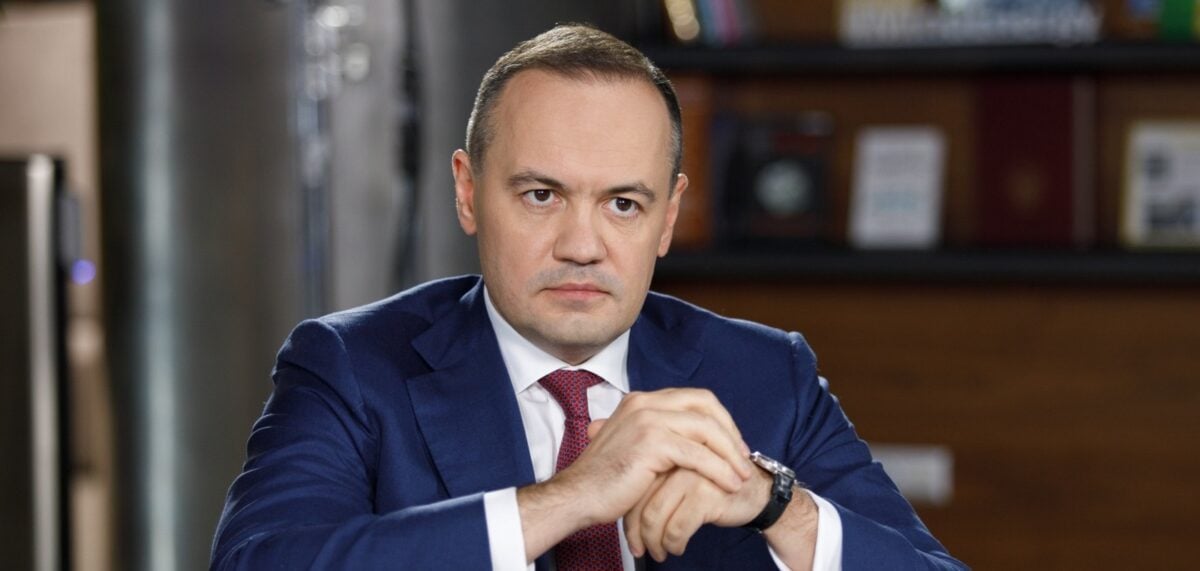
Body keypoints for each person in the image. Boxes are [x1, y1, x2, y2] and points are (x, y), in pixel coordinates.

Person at [212, 24, 965, 570]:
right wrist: (574, 497)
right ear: (468, 193)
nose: (582, 245)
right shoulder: (351, 365)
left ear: (668, 218)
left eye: (623, 204)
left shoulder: (768, 374)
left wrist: (776, 506)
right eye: (542, 195)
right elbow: (260, 560)